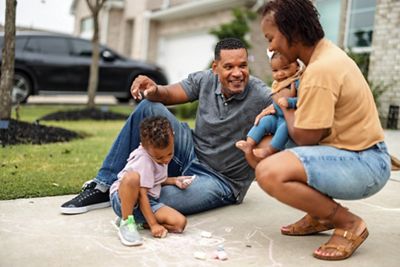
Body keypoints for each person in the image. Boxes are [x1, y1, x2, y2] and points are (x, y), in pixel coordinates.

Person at [60, 38, 272, 217]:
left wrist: (285, 95)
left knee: (138, 204)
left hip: (219, 180)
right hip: (191, 153)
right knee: (148, 106)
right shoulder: (205, 79)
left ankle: (122, 194)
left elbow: (285, 101)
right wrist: (154, 89)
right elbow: (168, 94)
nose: (237, 73)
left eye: (242, 65)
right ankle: (103, 185)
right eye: (229, 67)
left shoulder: (260, 93)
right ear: (215, 68)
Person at [256, 0, 391, 261]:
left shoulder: (321, 69)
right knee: (264, 148)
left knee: (269, 171)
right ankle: (319, 215)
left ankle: (349, 223)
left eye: (271, 38)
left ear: (291, 30)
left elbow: (307, 136)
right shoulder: (321, 57)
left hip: (366, 163)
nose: (270, 46)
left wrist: (283, 106)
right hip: (352, 153)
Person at [110, 116, 188, 246]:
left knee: (179, 224)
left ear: (173, 136)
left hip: (148, 202)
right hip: (125, 198)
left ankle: (137, 221)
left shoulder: (160, 151)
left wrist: (174, 180)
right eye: (159, 158)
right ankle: (126, 222)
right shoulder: (143, 160)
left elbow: (153, 180)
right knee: (132, 177)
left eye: (169, 154)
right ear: (145, 147)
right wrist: (154, 225)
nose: (165, 160)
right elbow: (142, 196)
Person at [236, 52, 304, 168]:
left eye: (285, 68)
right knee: (264, 121)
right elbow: (274, 101)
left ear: (297, 66)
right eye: (275, 71)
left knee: (284, 128)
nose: (280, 74)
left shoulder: (297, 82)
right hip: (277, 116)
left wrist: (290, 102)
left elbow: (304, 100)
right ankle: (249, 143)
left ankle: (270, 150)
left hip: (288, 119)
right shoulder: (277, 84)